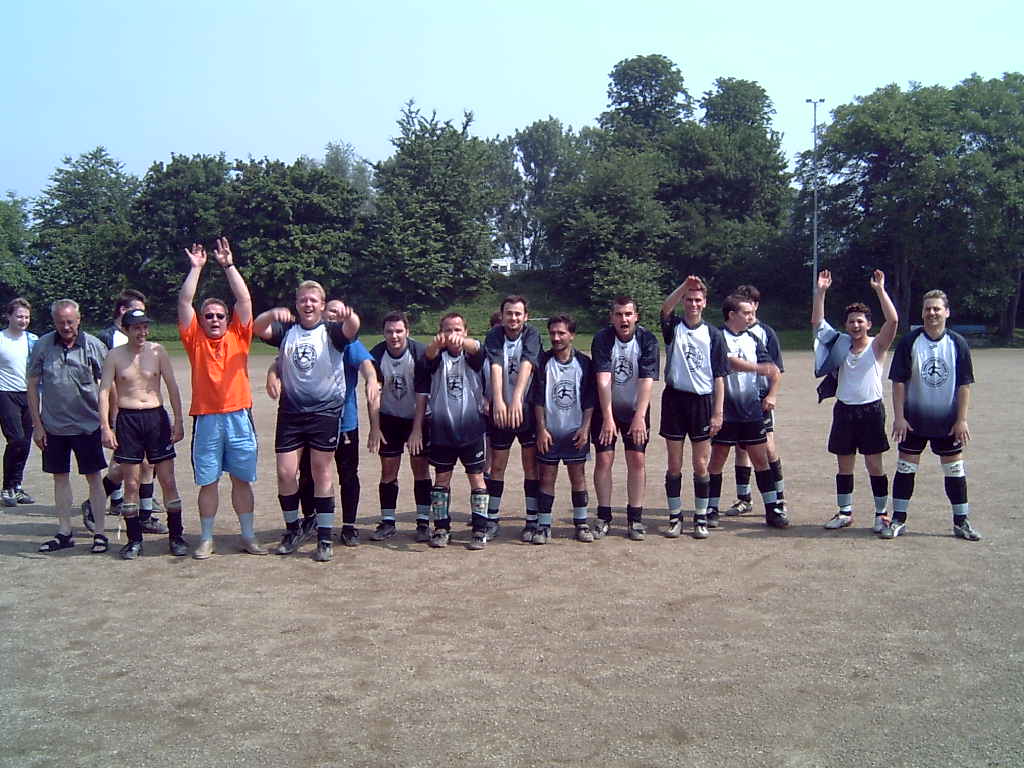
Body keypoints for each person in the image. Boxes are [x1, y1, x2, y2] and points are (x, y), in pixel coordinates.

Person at [254, 281, 360, 563]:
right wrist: (272, 313)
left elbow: (352, 328)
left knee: (321, 471)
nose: (308, 304)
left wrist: (348, 314)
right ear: (297, 304)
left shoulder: (332, 331)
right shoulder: (287, 330)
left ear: (322, 305)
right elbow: (258, 328)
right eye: (303, 300)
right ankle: (293, 529)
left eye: (313, 300)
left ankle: (324, 537)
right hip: (291, 412)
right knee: (286, 472)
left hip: (325, 412)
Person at [178, 238, 266, 559]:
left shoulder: (239, 336)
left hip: (239, 417)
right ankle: (206, 538)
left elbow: (244, 299)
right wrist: (196, 268)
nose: (214, 320)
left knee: (242, 480)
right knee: (209, 482)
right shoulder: (194, 340)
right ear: (201, 320)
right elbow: (184, 301)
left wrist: (228, 265)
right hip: (207, 420)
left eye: (219, 315)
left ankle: (248, 536)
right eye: (209, 316)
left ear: (228, 319)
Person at [273, 299, 380, 548]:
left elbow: (366, 364)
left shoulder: (345, 339)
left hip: (344, 421)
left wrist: (372, 379)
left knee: (347, 475)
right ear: (322, 312)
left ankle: (349, 526)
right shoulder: (315, 338)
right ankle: (311, 519)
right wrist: (272, 374)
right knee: (308, 474)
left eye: (338, 312)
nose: (334, 316)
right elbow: (282, 360)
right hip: (313, 421)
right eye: (330, 311)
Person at [884, 289, 979, 541]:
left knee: (955, 471)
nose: (932, 313)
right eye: (928, 308)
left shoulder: (957, 343)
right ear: (922, 312)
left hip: (947, 422)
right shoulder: (909, 342)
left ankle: (961, 522)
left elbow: (964, 384)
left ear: (947, 312)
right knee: (905, 468)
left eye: (937, 308)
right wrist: (899, 417)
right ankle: (898, 520)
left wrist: (961, 420)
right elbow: (898, 382)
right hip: (913, 421)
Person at [97, 309, 188, 559]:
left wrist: (178, 421)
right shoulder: (115, 356)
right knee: (131, 484)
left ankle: (176, 536)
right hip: (128, 420)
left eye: (145, 327)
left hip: (156, 418)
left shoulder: (158, 351)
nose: (142, 332)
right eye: (137, 328)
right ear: (125, 329)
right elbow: (104, 391)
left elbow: (172, 386)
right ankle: (134, 540)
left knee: (168, 480)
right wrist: (105, 426)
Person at [812, 269, 898, 532]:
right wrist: (821, 292)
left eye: (860, 321)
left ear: (868, 324)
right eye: (851, 321)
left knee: (874, 465)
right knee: (844, 465)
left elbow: (893, 321)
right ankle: (844, 512)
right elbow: (817, 322)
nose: (856, 325)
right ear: (846, 325)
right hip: (844, 411)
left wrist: (880, 290)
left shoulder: (877, 346)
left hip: (871, 411)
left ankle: (881, 514)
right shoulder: (840, 343)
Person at [26, 299, 109, 554]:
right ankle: (64, 531)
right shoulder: (42, 345)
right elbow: (32, 385)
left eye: (70, 322)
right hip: (54, 427)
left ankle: (100, 533)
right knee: (59, 478)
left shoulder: (94, 346)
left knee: (94, 478)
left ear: (79, 319)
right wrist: (37, 425)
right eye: (61, 322)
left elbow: (108, 386)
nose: (66, 327)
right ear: (54, 321)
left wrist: (108, 423)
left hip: (88, 425)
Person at [83, 289, 167, 534]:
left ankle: (144, 513)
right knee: (124, 465)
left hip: (144, 413)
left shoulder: (144, 343)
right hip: (122, 414)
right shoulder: (109, 339)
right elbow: (105, 383)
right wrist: (110, 418)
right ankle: (97, 502)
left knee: (147, 463)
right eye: (137, 311)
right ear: (123, 311)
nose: (141, 322)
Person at [702, 295, 786, 537]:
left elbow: (773, 369)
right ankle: (711, 508)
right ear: (732, 314)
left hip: (751, 410)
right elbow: (729, 362)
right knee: (717, 459)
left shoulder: (753, 338)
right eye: (746, 313)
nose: (751, 317)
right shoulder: (717, 336)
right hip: (725, 410)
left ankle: (772, 508)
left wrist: (772, 392)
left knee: (760, 459)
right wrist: (758, 368)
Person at [409, 312, 490, 549]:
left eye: (457, 330)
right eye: (447, 330)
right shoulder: (435, 358)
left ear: (465, 332)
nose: (452, 335)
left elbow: (477, 349)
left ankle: (480, 529)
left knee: (477, 478)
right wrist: (438, 343)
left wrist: (461, 341)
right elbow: (428, 356)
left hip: (471, 428)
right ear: (440, 333)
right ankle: (441, 528)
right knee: (441, 479)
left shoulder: (473, 355)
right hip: (442, 429)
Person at [660, 275, 728, 539]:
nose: (693, 304)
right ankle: (675, 516)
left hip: (702, 402)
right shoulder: (674, 327)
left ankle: (700, 516)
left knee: (701, 464)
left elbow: (719, 376)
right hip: (675, 400)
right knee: (674, 464)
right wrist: (683, 286)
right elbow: (665, 308)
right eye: (689, 299)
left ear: (705, 303)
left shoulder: (713, 334)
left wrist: (718, 412)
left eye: (697, 299)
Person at [589, 296, 659, 540]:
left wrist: (640, 416)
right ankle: (603, 516)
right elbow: (603, 380)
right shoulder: (602, 339)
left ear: (636, 316)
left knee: (637, 460)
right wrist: (608, 418)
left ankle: (635, 519)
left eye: (628, 314)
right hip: (606, 406)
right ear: (612, 318)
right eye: (619, 314)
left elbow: (647, 380)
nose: (624, 319)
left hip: (635, 407)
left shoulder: (647, 340)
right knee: (604, 459)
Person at [724, 284, 788, 519]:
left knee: (767, 448)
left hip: (760, 398)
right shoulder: (728, 334)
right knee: (741, 449)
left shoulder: (765, 333)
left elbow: (776, 369)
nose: (749, 312)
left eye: (751, 304)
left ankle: (779, 498)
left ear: (756, 306)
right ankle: (744, 498)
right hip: (738, 400)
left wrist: (772, 395)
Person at [367, 311, 432, 542]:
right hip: (390, 418)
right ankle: (388, 522)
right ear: (383, 333)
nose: (394, 336)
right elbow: (373, 394)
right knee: (388, 470)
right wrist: (375, 428)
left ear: (407, 332)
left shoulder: (420, 353)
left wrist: (417, 430)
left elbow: (423, 394)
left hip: (418, 417)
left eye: (398, 331)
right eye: (389, 331)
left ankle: (423, 522)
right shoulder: (376, 355)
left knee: (421, 469)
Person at [530, 314, 596, 544]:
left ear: (572, 335)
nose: (556, 338)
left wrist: (585, 428)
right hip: (550, 431)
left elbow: (589, 400)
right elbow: (538, 399)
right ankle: (544, 525)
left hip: (575, 430)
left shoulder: (584, 363)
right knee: (546, 476)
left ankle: (581, 523)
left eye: (561, 333)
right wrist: (541, 429)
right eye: (553, 333)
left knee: (578, 476)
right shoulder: (543, 362)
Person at [484, 296, 542, 540]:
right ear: (502, 315)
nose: (513, 318)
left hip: (526, 409)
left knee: (530, 465)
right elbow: (496, 366)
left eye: (518, 313)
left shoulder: (532, 334)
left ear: (525, 316)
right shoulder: (494, 335)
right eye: (509, 313)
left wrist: (517, 398)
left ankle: (532, 519)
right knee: (497, 465)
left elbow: (527, 365)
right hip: (502, 411)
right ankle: (491, 518)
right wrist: (498, 400)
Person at [1, 298, 38, 507]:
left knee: (25, 442)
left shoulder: (33, 340)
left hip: (29, 395)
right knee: (15, 439)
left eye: (26, 317)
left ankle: (17, 485)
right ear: (9, 316)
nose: (23, 320)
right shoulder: (1, 339)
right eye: (19, 316)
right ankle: (7, 487)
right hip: (5, 394)